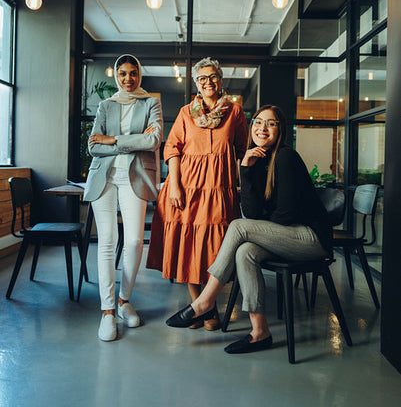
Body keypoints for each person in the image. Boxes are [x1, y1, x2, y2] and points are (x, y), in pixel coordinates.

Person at [165, 104, 333, 354]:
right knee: (245, 252)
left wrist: (259, 226)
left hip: (310, 238)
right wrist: (245, 167)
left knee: (238, 227)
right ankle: (259, 332)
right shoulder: (258, 160)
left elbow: (285, 216)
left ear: (281, 129)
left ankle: (205, 301)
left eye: (271, 123)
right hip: (287, 237)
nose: (262, 128)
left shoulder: (286, 157)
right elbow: (253, 213)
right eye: (257, 122)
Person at [146, 57, 248, 330]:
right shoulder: (185, 112)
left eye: (212, 76)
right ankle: (203, 309)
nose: (208, 82)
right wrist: (175, 184)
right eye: (202, 78)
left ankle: (204, 305)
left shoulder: (235, 112)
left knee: (216, 249)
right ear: (196, 84)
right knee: (187, 247)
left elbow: (241, 150)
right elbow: (172, 149)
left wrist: (241, 183)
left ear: (221, 80)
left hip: (219, 189)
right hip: (187, 187)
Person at [84, 54, 163, 341]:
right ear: (116, 76)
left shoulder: (151, 103)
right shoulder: (106, 105)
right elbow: (94, 146)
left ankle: (123, 301)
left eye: (133, 73)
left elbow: (153, 141)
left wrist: (114, 140)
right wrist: (132, 142)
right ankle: (107, 311)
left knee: (132, 241)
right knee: (107, 241)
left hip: (136, 176)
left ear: (140, 74)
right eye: (122, 74)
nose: (128, 78)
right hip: (104, 177)